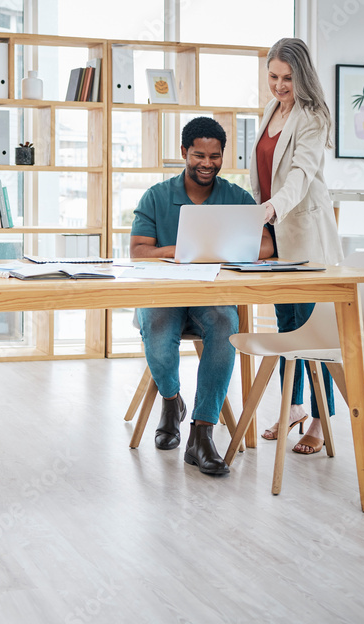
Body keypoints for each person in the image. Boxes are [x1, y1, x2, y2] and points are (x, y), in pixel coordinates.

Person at [130, 116, 274, 476]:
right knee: (159, 333)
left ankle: (202, 433)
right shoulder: (157, 196)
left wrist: (228, 248)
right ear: (184, 152)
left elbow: (269, 244)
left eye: (215, 156)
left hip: (212, 297)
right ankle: (170, 401)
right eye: (198, 155)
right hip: (164, 296)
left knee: (227, 322)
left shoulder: (236, 197)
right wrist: (179, 250)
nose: (207, 163)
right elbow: (138, 250)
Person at [250, 38, 344, 455]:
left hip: (304, 235)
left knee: (311, 332)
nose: (279, 85)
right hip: (275, 237)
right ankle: (294, 406)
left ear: (302, 76)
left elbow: (302, 174)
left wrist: (272, 208)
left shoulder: (313, 116)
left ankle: (322, 422)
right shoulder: (271, 110)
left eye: (287, 78)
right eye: (273, 76)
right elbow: (263, 169)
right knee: (286, 326)